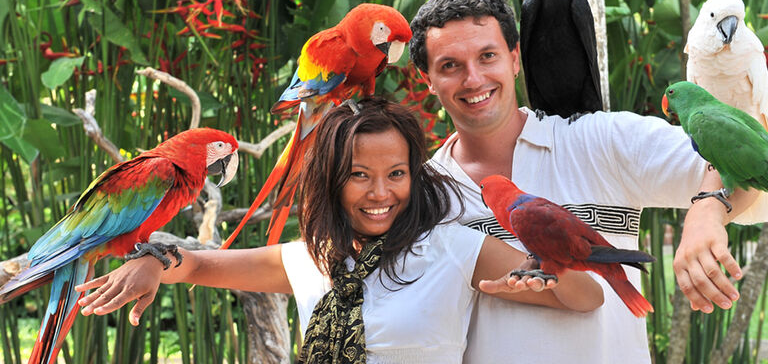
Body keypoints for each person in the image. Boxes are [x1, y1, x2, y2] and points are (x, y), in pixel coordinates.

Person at [74, 98, 603, 363]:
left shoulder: (453, 247)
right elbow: (199, 265)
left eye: (396, 174)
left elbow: (586, 297)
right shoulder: (310, 257)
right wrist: (151, 261)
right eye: (358, 175)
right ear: (331, 180)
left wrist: (540, 275)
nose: (380, 193)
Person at [409, 0, 766, 364]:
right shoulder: (420, 195)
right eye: (450, 65)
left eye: (488, 56)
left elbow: (742, 158)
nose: (473, 78)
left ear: (515, 59)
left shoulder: (606, 140)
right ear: (426, 78)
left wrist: (707, 212)